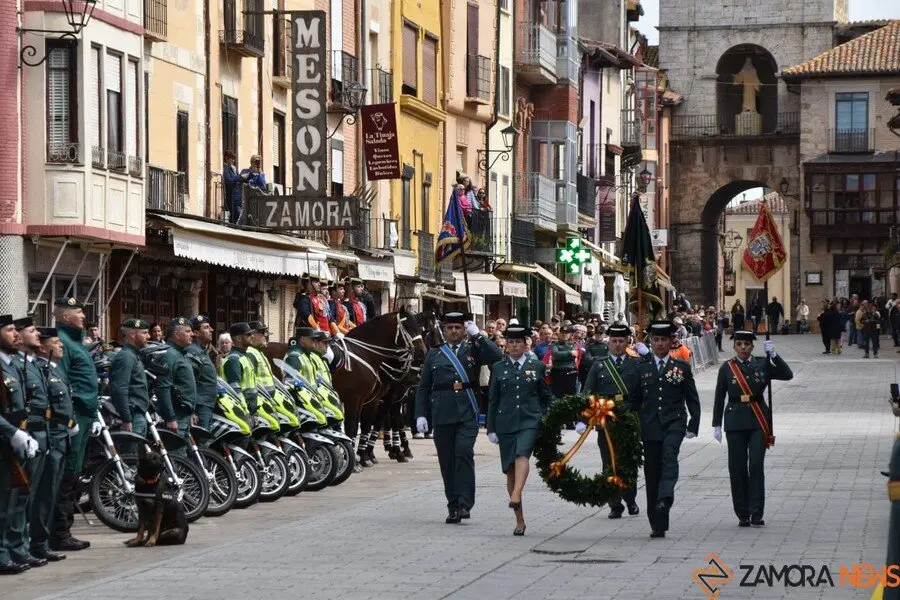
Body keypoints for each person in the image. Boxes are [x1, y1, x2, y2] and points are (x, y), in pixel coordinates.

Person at [414, 312, 502, 524]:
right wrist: (420, 415)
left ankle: (464, 503)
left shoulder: (473, 348)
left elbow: (497, 357)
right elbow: (424, 387)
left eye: (458, 328)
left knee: (463, 453)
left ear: (464, 330)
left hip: (467, 411)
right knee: (447, 460)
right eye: (450, 328)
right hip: (442, 413)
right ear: (443, 331)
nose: (454, 331)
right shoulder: (435, 354)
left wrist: (479, 336)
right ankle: (452, 505)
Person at [712, 331, 792, 527]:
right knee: (737, 467)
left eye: (747, 344)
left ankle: (756, 512)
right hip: (735, 420)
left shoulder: (762, 363)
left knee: (756, 465)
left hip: (758, 420)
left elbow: (787, 374)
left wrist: (774, 356)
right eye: (739, 344)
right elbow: (719, 396)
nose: (743, 348)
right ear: (734, 347)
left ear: (752, 347)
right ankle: (743, 512)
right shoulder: (727, 368)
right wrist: (716, 424)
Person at [633, 321, 701, 539]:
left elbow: (692, 398)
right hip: (650, 425)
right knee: (652, 472)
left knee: (669, 457)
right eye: (656, 339)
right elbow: (634, 401)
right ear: (650, 342)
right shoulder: (641, 367)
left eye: (664, 340)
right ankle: (657, 522)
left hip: (674, 422)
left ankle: (665, 498)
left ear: (671, 342)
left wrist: (694, 423)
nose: (660, 344)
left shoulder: (681, 367)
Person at [486, 326, 553, 536]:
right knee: (510, 469)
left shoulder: (537, 366)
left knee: (522, 454)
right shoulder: (498, 367)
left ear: (526, 344)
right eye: (510, 342)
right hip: (505, 422)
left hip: (529, 420)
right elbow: (493, 400)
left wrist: (551, 415)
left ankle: (515, 494)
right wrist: (491, 428)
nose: (514, 346)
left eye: (518, 342)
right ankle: (520, 520)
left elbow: (545, 396)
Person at [51, 297, 99, 553]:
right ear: (66, 316)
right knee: (67, 474)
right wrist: (70, 418)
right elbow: (62, 383)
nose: (83, 315)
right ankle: (60, 532)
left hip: (85, 416)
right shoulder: (63, 342)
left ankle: (62, 530)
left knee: (74, 473)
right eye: (79, 312)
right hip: (74, 417)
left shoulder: (75, 342)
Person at [582, 324, 641, 519]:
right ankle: (614, 504)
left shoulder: (636, 364)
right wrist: (584, 418)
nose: (617, 345)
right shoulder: (599, 365)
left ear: (627, 342)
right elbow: (588, 392)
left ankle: (630, 498)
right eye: (614, 341)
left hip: (629, 419)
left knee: (628, 461)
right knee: (608, 462)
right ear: (608, 342)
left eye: (621, 341)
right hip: (606, 421)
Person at [0, 315, 41, 574]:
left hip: (15, 440)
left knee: (14, 500)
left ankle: (13, 548)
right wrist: (13, 433)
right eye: (10, 330)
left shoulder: (13, 364)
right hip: (5, 439)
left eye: (17, 330)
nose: (16, 334)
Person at [30, 328, 72, 563]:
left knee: (49, 494)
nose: (61, 346)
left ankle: (40, 543)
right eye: (56, 342)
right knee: (40, 494)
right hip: (50, 434)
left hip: (59, 436)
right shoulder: (41, 369)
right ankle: (34, 543)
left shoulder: (54, 369)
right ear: (44, 347)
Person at [108, 319, 151, 438]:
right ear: (132, 334)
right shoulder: (126, 356)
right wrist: (126, 418)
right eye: (144, 333)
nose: (148, 336)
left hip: (137, 413)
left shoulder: (133, 355)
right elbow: (119, 389)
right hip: (132, 415)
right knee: (130, 454)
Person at [156, 318, 197, 438]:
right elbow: (163, 387)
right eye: (188, 331)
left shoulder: (179, 353)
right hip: (176, 415)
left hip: (184, 414)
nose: (192, 334)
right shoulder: (169, 354)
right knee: (176, 454)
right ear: (177, 334)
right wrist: (170, 418)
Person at [186, 316, 219, 429]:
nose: (211, 330)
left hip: (207, 404)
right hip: (200, 406)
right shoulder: (193, 351)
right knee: (202, 442)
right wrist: (192, 410)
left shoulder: (203, 351)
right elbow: (190, 382)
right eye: (206, 327)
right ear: (196, 333)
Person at [219, 323, 259, 416]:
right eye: (248, 334)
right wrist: (244, 411)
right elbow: (235, 390)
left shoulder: (244, 356)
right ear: (239, 338)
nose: (252, 336)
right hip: (242, 410)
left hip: (250, 408)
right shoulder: (234, 359)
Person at [549, 325, 579, 398]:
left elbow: (574, 355)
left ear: (570, 334)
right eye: (562, 333)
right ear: (559, 333)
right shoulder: (554, 344)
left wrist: (560, 356)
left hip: (570, 372)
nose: (564, 335)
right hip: (558, 372)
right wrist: (569, 353)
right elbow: (555, 354)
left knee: (570, 396)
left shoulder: (573, 345)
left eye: (566, 333)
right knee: (557, 396)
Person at [223, 149, 243, 223]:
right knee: (237, 213)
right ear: (227, 158)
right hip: (231, 197)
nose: (233, 161)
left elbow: (236, 180)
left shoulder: (233, 168)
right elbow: (229, 180)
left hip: (237, 197)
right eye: (232, 159)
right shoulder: (225, 169)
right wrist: (239, 177)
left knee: (235, 216)